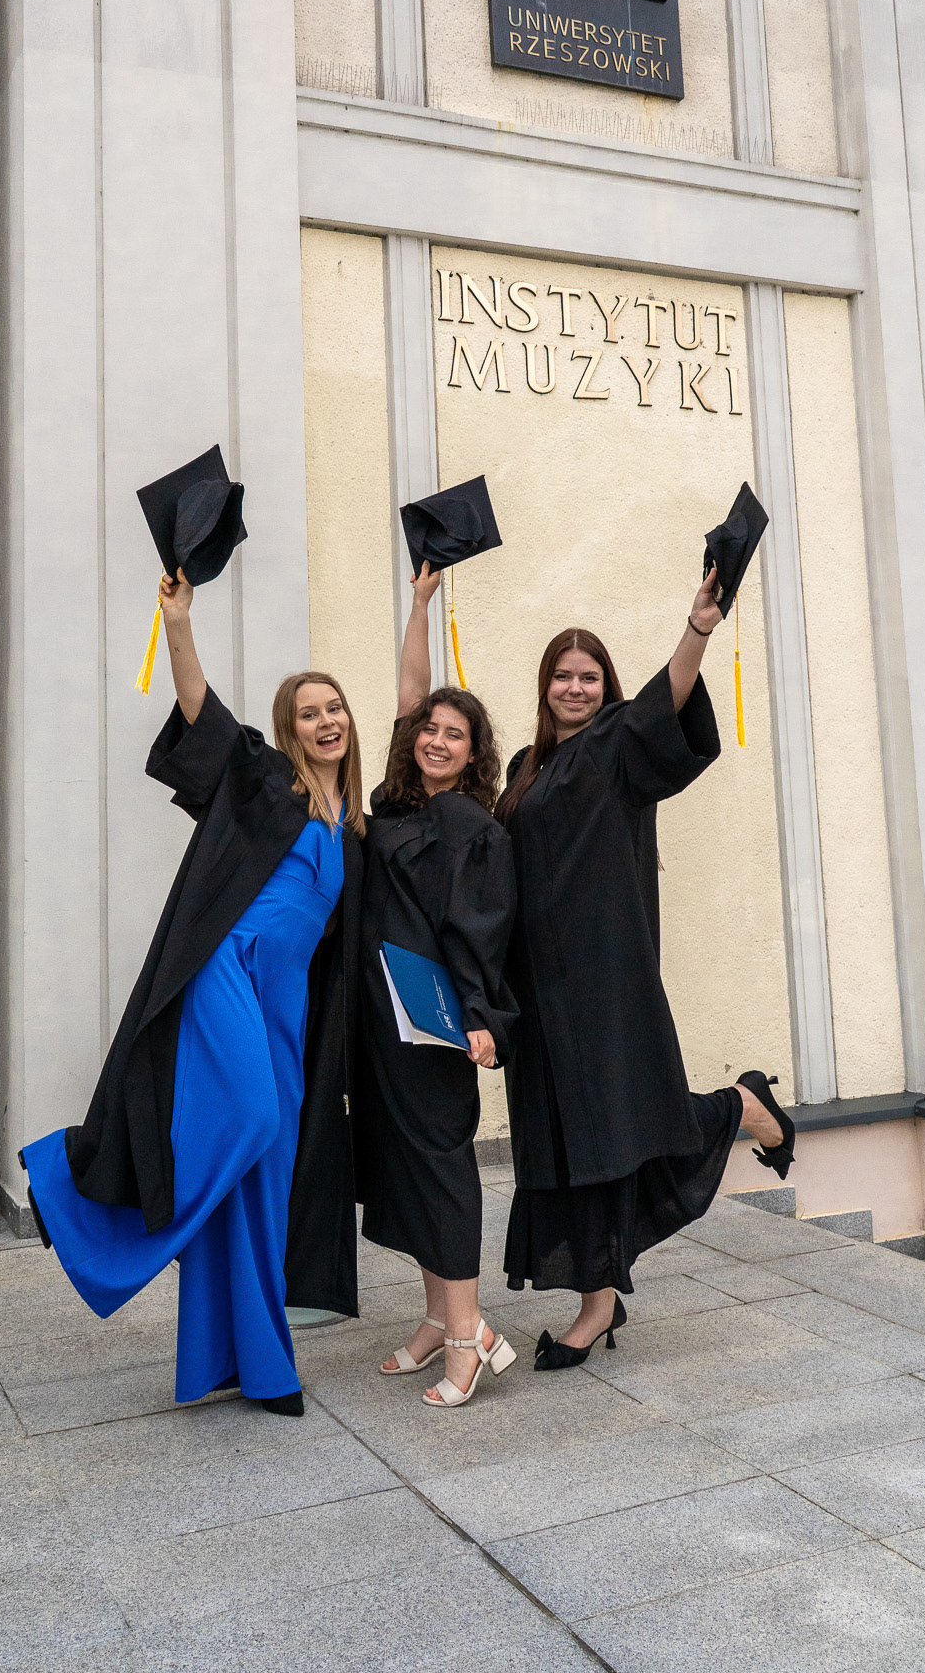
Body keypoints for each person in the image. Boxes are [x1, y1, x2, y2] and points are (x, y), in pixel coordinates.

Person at [20, 566, 364, 1416]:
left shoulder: (351, 824)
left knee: (263, 1182)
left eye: (335, 708)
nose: (326, 721)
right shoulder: (264, 781)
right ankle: (70, 1190)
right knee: (248, 1119)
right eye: (308, 712)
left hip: (286, 1007)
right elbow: (201, 711)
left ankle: (253, 1365)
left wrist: (423, 605)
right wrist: (178, 622)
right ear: (287, 729)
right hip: (227, 973)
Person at [495, 569, 795, 1369]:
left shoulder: (617, 745)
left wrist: (697, 628)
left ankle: (736, 1109)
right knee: (560, 1140)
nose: (575, 687)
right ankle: (600, 1293)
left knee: (614, 1128)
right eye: (562, 675)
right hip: (534, 989)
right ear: (544, 685)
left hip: (602, 978)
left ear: (606, 688)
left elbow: (668, 699)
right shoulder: (523, 764)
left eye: (589, 676)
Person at [356, 563, 520, 1408]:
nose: (436, 739)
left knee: (444, 1170)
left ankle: (468, 1336)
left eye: (455, 734)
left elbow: (480, 930)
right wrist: (418, 604)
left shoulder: (471, 827)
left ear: (472, 752)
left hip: (434, 1025)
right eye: (430, 729)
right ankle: (435, 1318)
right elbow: (409, 692)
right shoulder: (394, 804)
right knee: (406, 1168)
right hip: (379, 1020)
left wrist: (480, 1016)